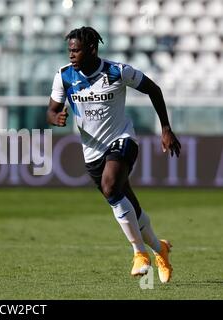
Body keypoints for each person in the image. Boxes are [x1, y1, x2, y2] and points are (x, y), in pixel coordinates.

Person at [47, 26, 181, 283]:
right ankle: (160, 249)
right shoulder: (64, 76)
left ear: (92, 49)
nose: (71, 54)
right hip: (92, 151)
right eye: (69, 50)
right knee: (126, 201)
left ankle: (139, 253)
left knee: (110, 187)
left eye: (76, 50)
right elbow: (51, 110)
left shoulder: (118, 71)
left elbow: (154, 89)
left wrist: (166, 128)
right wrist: (57, 117)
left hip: (122, 139)